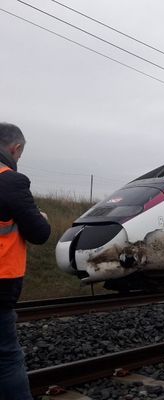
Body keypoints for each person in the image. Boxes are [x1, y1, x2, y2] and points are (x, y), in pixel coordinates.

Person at [0, 122, 51, 400]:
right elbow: (39, 233)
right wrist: (42, 218)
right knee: (7, 358)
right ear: (15, 148)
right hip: (0, 286)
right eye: (20, 154)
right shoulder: (10, 180)